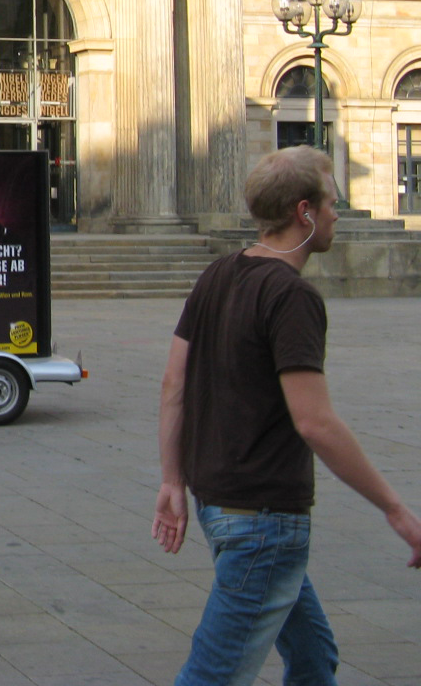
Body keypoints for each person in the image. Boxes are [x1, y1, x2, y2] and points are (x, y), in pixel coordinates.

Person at [153, 146, 421, 686]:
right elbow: (315, 422)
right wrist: (397, 511)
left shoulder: (219, 274)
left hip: (220, 505)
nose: (336, 215)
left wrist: (172, 481)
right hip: (264, 518)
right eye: (331, 203)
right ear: (304, 211)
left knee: (313, 657)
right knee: (213, 674)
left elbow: (173, 384)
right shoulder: (292, 296)